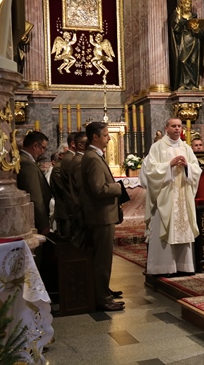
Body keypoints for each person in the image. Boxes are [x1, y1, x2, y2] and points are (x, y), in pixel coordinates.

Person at [142, 118, 202, 275]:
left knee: (183, 227)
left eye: (179, 126)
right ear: (166, 128)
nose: (177, 129)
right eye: (173, 126)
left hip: (182, 194)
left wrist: (188, 167)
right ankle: (164, 267)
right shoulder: (157, 147)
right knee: (164, 228)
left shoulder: (186, 148)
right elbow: (151, 171)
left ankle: (184, 266)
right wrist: (169, 165)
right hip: (166, 196)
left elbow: (197, 169)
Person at [80, 122, 124, 312]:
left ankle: (103, 291)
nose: (108, 138)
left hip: (102, 215)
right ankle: (102, 298)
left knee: (102, 258)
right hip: (101, 216)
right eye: (105, 135)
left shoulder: (94, 155)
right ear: (95, 137)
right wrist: (118, 187)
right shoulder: (92, 157)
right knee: (102, 259)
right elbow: (99, 189)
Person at [17, 131, 52, 235]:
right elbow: (35, 196)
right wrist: (43, 223)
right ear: (35, 146)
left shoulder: (25, 160)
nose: (43, 152)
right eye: (43, 148)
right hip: (35, 220)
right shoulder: (27, 163)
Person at [170, 0, 204, 90]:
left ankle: (193, 84)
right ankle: (182, 84)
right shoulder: (177, 15)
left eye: (189, 4)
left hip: (193, 41)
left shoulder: (194, 16)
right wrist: (179, 17)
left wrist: (196, 30)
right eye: (186, 4)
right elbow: (176, 29)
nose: (188, 6)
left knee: (193, 62)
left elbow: (202, 33)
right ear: (181, 5)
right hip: (183, 42)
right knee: (183, 61)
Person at [67, 132, 87, 246]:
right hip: (80, 208)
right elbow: (81, 187)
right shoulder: (79, 161)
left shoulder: (78, 159)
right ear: (80, 145)